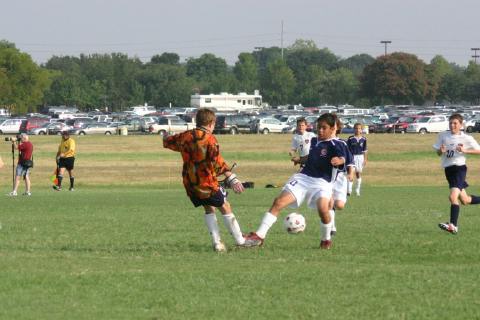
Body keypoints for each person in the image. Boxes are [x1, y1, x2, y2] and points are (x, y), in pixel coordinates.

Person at [245, 113, 346, 249]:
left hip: (322, 182)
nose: (320, 130)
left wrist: (340, 161)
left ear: (332, 129)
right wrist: (300, 159)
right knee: (278, 202)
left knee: (323, 210)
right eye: (318, 127)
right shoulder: (315, 141)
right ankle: (259, 236)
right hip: (303, 178)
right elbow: (311, 157)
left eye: (324, 128)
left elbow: (344, 159)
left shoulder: (339, 144)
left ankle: (326, 239)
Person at [163, 108, 250, 252]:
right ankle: (240, 241)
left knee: (209, 208)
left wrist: (165, 136)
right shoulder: (210, 139)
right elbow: (217, 162)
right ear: (211, 123)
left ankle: (217, 243)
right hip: (207, 183)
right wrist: (232, 178)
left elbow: (167, 142)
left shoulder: (186, 136)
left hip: (191, 184)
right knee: (225, 207)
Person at [433, 113, 480, 234]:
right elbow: (438, 152)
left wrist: (465, 150)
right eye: (450, 123)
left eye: (455, 123)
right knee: (465, 200)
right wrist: (440, 151)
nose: (452, 125)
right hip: (448, 170)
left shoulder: (466, 138)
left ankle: (453, 225)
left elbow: (478, 150)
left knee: (453, 197)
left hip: (459, 169)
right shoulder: (443, 135)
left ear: (461, 124)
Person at [329, 118, 354, 236]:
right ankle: (331, 227)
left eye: (333, 125)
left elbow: (350, 161)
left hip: (340, 177)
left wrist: (351, 173)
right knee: (329, 202)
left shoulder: (342, 143)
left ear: (337, 128)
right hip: (325, 177)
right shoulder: (320, 143)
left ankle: (333, 208)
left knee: (339, 205)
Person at [347, 123, 368, 196]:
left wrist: (365, 159)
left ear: (361, 130)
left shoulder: (364, 139)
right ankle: (349, 190)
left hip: (360, 157)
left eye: (359, 128)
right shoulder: (350, 138)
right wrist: (348, 158)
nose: (357, 130)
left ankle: (357, 190)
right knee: (351, 173)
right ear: (354, 129)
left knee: (358, 173)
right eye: (356, 128)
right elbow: (348, 150)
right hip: (352, 157)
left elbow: (365, 150)